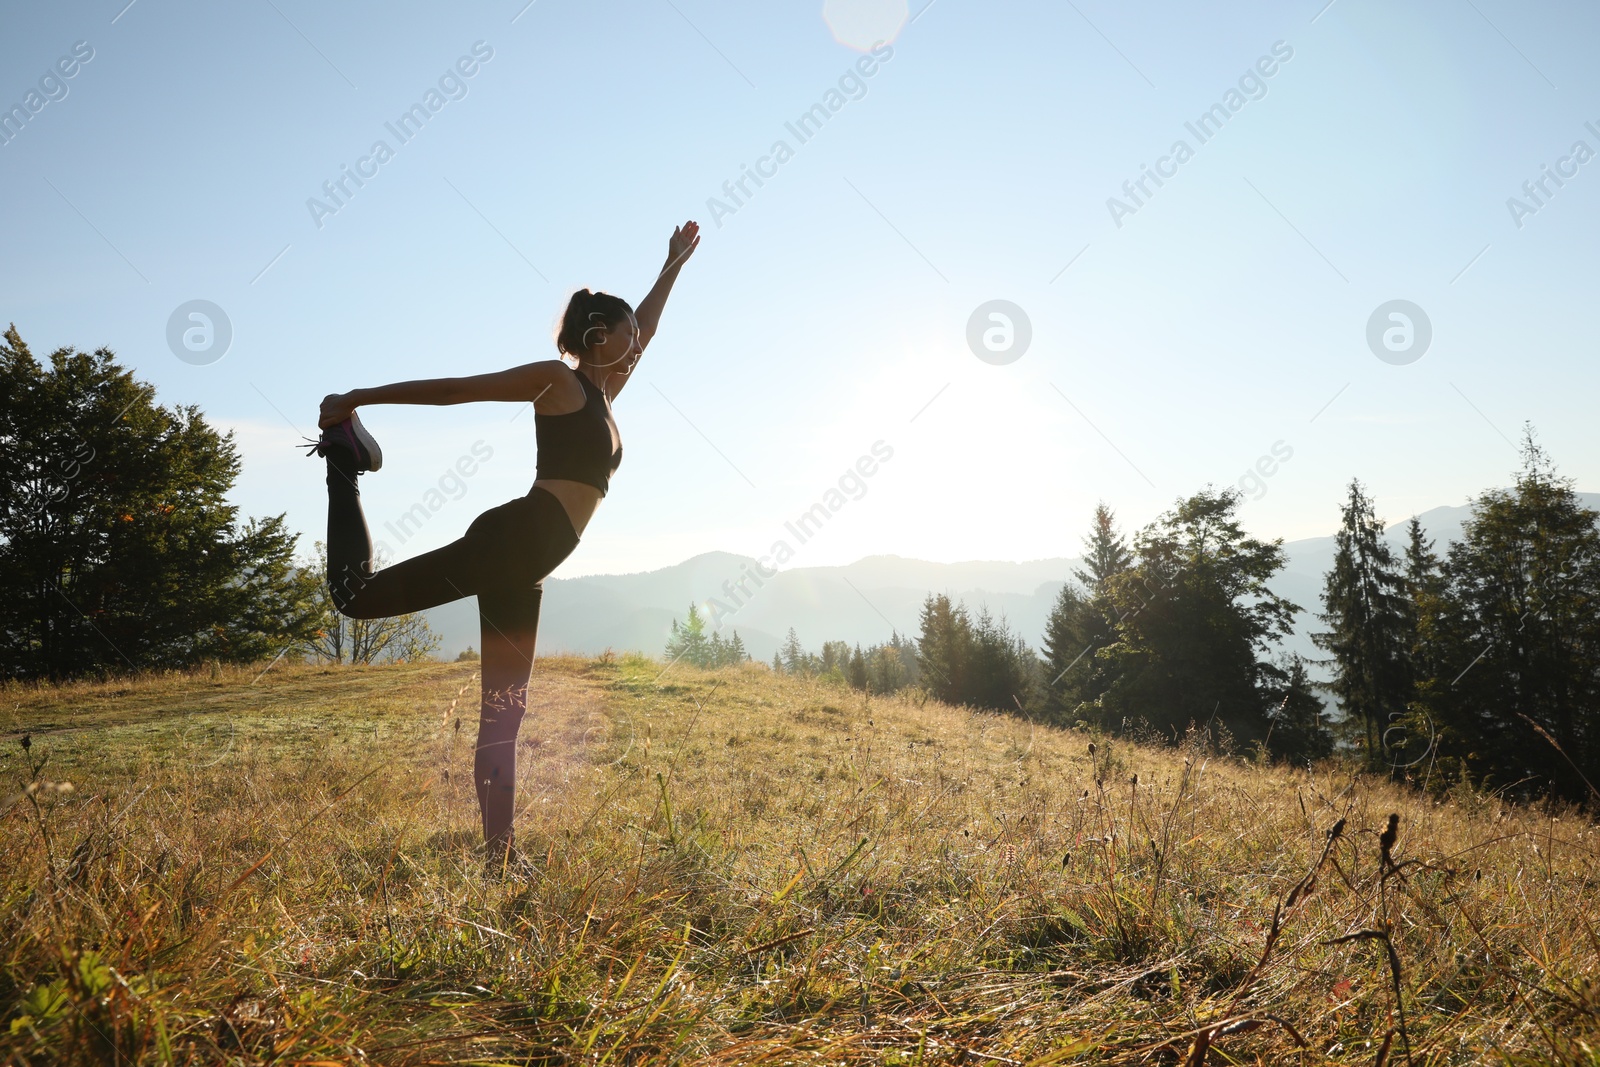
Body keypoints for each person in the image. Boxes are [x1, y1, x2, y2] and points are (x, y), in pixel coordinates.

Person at [302, 220, 700, 868]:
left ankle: (500, 854)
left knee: (504, 713)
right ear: (598, 336)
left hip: (527, 565)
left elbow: (647, 331)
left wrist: (672, 265)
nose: (636, 343)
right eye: (624, 332)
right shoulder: (559, 381)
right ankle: (343, 458)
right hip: (510, 542)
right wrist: (357, 397)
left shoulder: (602, 394)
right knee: (353, 597)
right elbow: (460, 390)